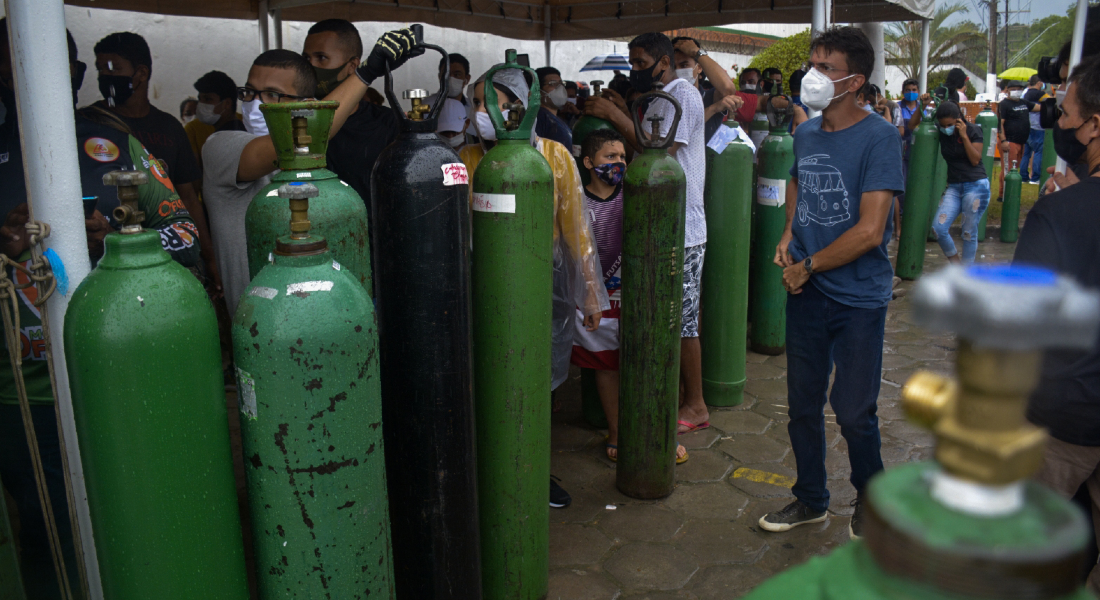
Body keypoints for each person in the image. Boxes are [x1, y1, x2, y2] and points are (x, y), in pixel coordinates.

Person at [0, 25, 200, 599]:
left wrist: (117, 240)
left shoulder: (108, 144)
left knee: (135, 519)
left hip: (115, 373)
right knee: (45, 537)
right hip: (21, 393)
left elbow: (185, 237)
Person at [760, 26, 903, 540]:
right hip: (807, 293)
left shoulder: (880, 137)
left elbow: (870, 230)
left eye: (826, 67)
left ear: (854, 81)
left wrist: (809, 264)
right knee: (802, 404)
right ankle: (811, 499)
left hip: (858, 297)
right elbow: (797, 178)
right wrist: (787, 232)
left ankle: (873, 495)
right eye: (812, 64)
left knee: (854, 409)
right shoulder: (805, 132)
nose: (812, 76)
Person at [458, 66, 617, 507]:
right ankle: (487, 465)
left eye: (491, 102)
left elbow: (577, 230)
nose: (481, 113)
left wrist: (590, 289)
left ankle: (529, 465)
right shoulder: (465, 160)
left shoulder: (555, 156)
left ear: (522, 107)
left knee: (533, 374)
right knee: (484, 375)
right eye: (475, 103)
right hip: (479, 283)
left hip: (539, 283)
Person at [205, 28, 421, 314]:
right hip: (260, 324)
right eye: (250, 92)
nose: (256, 104)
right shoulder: (221, 146)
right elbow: (296, 139)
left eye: (273, 95)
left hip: (324, 318)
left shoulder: (318, 158)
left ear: (305, 108)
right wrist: (367, 73)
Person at [584, 33, 710, 436]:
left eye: (640, 63)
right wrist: (625, 108)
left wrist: (617, 116)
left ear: (663, 62)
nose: (634, 70)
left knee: (684, 319)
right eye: (632, 62)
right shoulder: (659, 96)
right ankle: (666, 394)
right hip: (657, 224)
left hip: (683, 226)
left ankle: (696, 403)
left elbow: (660, 151)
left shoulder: (684, 95)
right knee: (664, 316)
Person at [1012, 55, 1100, 596]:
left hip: (1062, 417)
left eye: (1066, 115)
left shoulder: (1059, 214)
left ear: (1095, 125)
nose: (1058, 124)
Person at [93, 32, 217, 286]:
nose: (105, 77)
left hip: (164, 258)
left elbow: (189, 199)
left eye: (113, 69)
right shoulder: (91, 123)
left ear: (141, 73)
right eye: (100, 69)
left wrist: (209, 258)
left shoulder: (169, 127)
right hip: (103, 258)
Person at [570, 128, 628, 461]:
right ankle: (617, 432)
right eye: (610, 156)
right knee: (607, 368)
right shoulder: (577, 201)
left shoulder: (634, 193)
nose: (618, 163)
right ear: (589, 162)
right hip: (597, 300)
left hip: (629, 296)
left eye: (622, 157)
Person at [303, 19, 401, 214]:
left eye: (321, 58)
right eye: (306, 59)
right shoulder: (299, 120)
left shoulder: (387, 123)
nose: (310, 66)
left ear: (352, 65)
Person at [929, 101, 990, 264]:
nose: (946, 128)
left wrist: (964, 136)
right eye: (942, 125)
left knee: (969, 231)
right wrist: (924, 105)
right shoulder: (943, 132)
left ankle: (967, 274)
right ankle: (957, 267)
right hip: (954, 187)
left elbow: (975, 159)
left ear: (959, 119)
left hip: (976, 185)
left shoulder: (973, 130)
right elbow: (914, 126)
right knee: (938, 228)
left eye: (949, 125)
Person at [670, 36, 746, 143]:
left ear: (699, 67)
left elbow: (728, 89)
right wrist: (713, 109)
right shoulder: (664, 101)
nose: (678, 70)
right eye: (674, 67)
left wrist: (697, 52)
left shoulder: (709, 98)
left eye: (684, 65)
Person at [186, 70, 245, 174]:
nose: (201, 104)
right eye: (200, 99)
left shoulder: (246, 129)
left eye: (208, 99)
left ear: (226, 103)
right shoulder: (193, 128)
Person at [998, 79, 1040, 200]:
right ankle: (1004, 193)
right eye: (1014, 89)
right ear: (1008, 90)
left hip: (1022, 141)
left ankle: (1011, 192)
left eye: (1019, 89)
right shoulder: (1004, 104)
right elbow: (999, 124)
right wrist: (1003, 140)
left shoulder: (1024, 103)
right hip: (1010, 141)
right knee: (1008, 168)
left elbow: (1038, 107)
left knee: (1015, 169)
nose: (1017, 91)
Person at [534, 66, 573, 149]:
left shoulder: (556, 119)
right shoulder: (539, 118)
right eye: (553, 84)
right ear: (538, 91)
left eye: (561, 84)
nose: (560, 88)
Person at [1021, 75, 1047, 184]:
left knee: (1026, 153)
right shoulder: (1040, 94)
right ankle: (1035, 177)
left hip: (1027, 126)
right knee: (1038, 152)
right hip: (1038, 127)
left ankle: (1023, 176)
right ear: (1039, 83)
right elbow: (1051, 100)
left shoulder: (1026, 93)